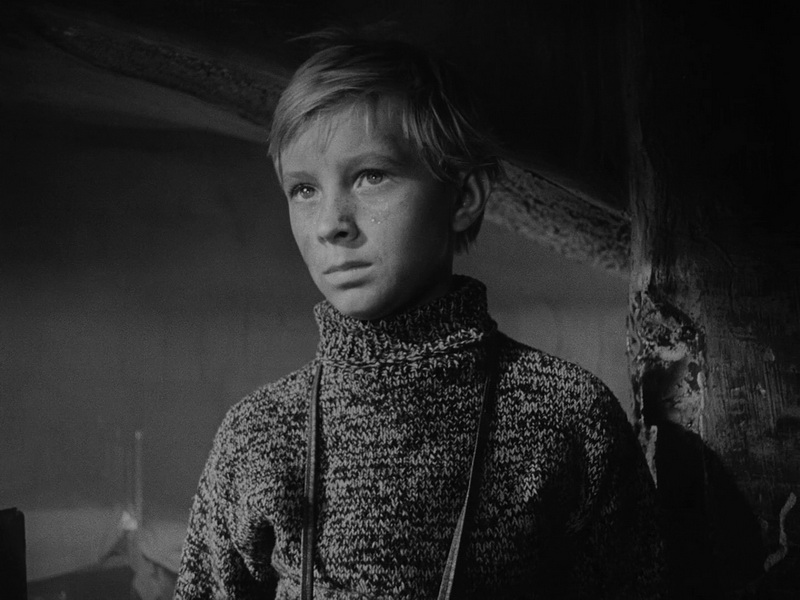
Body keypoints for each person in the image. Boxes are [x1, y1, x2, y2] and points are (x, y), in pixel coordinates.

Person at [174, 36, 665, 600]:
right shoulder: (257, 433)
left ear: (464, 197)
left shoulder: (568, 417)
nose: (330, 223)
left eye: (371, 176)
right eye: (304, 189)